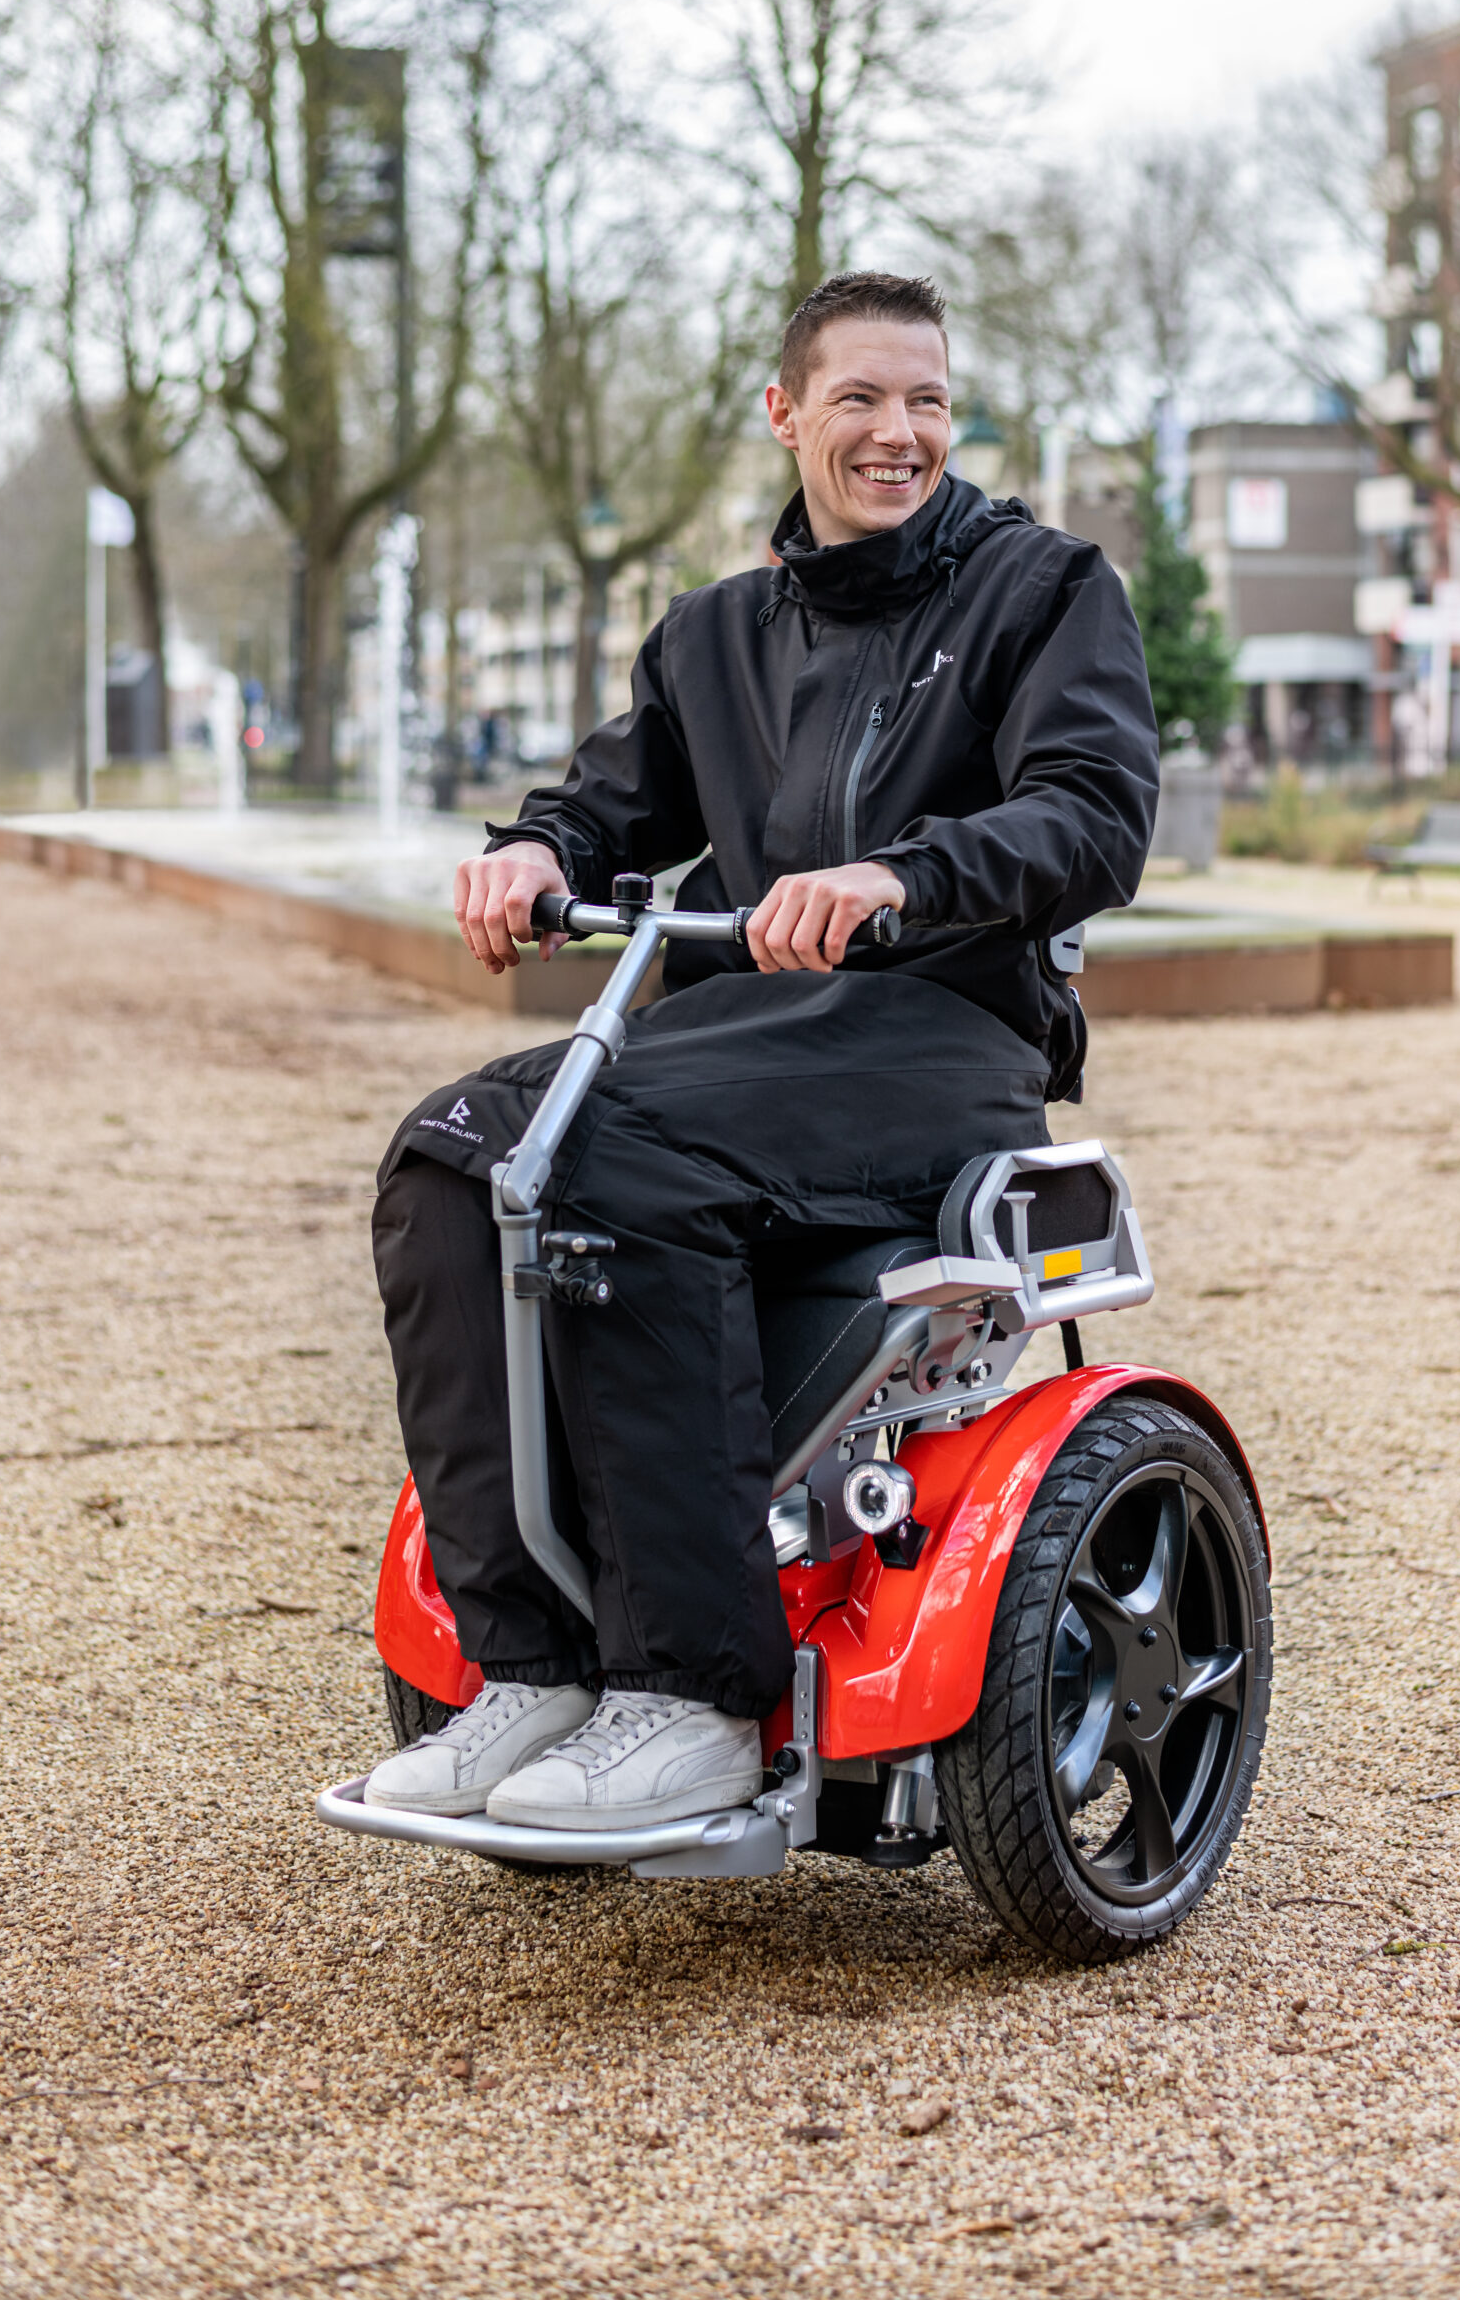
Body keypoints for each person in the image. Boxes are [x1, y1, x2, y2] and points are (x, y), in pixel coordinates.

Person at [363, 271, 1159, 1831]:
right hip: (743, 1037)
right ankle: (531, 1666)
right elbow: (607, 806)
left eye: (927, 399)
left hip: (942, 1036)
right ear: (788, 413)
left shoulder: (1046, 589)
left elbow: (1091, 815)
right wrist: (531, 852)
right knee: (448, 1154)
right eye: (861, 397)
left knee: (618, 1154)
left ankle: (695, 1698)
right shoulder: (714, 633)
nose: (899, 431)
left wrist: (899, 877)